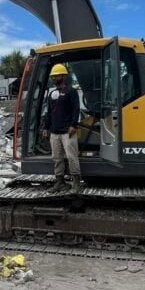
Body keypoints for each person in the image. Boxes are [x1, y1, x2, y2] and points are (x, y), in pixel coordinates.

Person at [41, 63, 82, 193]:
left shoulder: (71, 91)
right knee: (57, 158)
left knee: (71, 157)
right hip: (54, 131)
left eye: (57, 76)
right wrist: (46, 127)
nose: (54, 78)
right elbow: (49, 112)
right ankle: (60, 183)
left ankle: (76, 184)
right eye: (53, 76)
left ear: (63, 76)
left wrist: (73, 125)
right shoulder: (52, 94)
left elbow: (76, 109)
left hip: (67, 131)